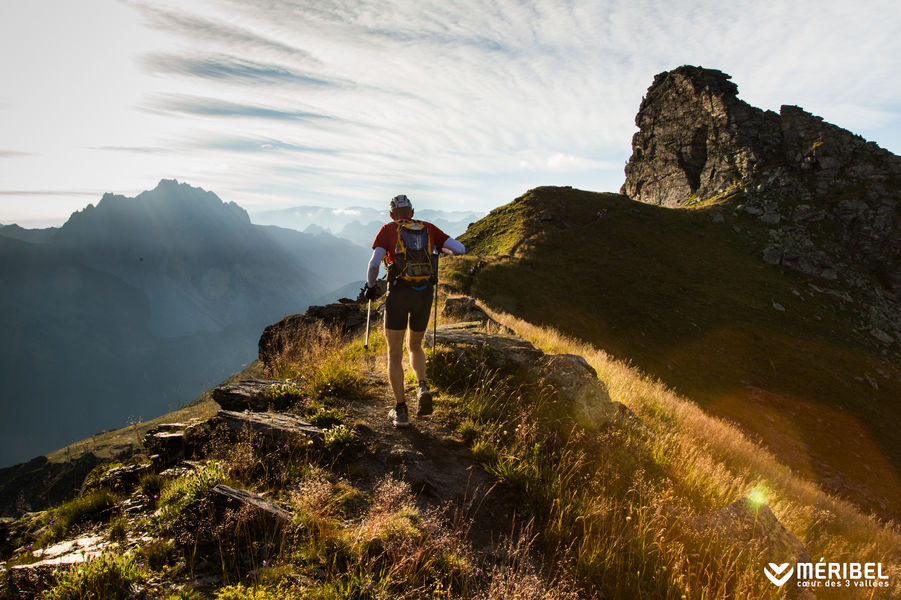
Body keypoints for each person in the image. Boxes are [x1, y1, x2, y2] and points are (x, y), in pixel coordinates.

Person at [362, 194, 465, 427]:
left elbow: (373, 264)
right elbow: (460, 249)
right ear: (412, 211)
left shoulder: (388, 230)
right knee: (415, 345)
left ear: (392, 214)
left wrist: (370, 288)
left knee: (395, 353)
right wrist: (440, 253)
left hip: (398, 294)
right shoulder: (428, 229)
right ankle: (422, 386)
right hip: (424, 294)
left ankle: (401, 411)